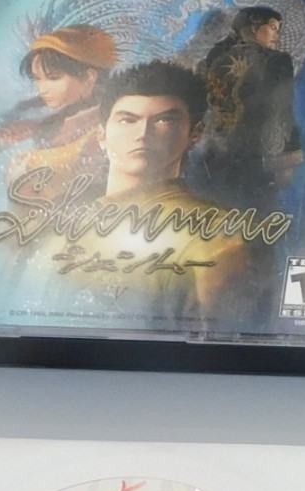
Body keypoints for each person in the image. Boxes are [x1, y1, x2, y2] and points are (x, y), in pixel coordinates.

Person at [23, 61, 252, 324]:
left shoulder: (218, 235)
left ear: (195, 134)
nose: (143, 134)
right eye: (128, 120)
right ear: (101, 135)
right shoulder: (61, 226)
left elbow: (216, 335)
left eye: (164, 120)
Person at [192, 5, 304, 206]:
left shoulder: (212, 59)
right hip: (254, 157)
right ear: (254, 27)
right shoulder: (276, 60)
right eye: (273, 28)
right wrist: (287, 158)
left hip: (211, 156)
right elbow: (280, 109)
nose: (276, 36)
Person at [0, 25, 118, 198]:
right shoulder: (38, 112)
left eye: (53, 78)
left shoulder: (108, 120)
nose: (42, 89)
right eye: (37, 79)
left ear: (89, 77)